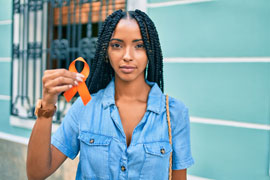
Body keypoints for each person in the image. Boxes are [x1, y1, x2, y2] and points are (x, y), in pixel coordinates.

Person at [26, 9, 194, 180]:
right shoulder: (85, 107)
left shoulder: (174, 113)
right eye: (117, 45)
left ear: (151, 51)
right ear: (105, 51)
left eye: (139, 45)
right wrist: (47, 105)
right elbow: (36, 173)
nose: (127, 56)